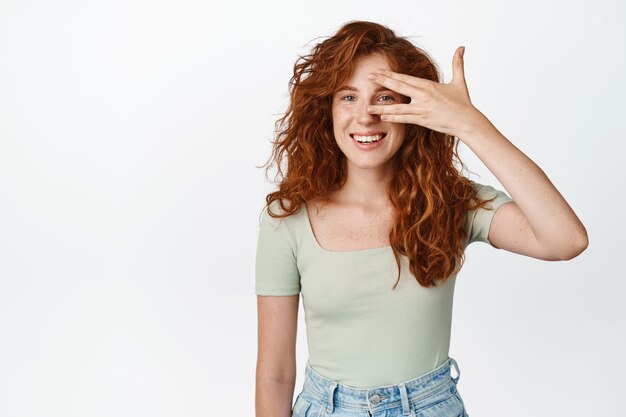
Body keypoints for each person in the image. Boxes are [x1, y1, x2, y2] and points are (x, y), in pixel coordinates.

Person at [254, 20, 588, 417]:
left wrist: (470, 124)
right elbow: (274, 374)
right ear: (324, 108)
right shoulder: (286, 220)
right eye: (348, 97)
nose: (366, 116)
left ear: (414, 110)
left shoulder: (452, 202)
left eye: (385, 98)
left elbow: (566, 240)